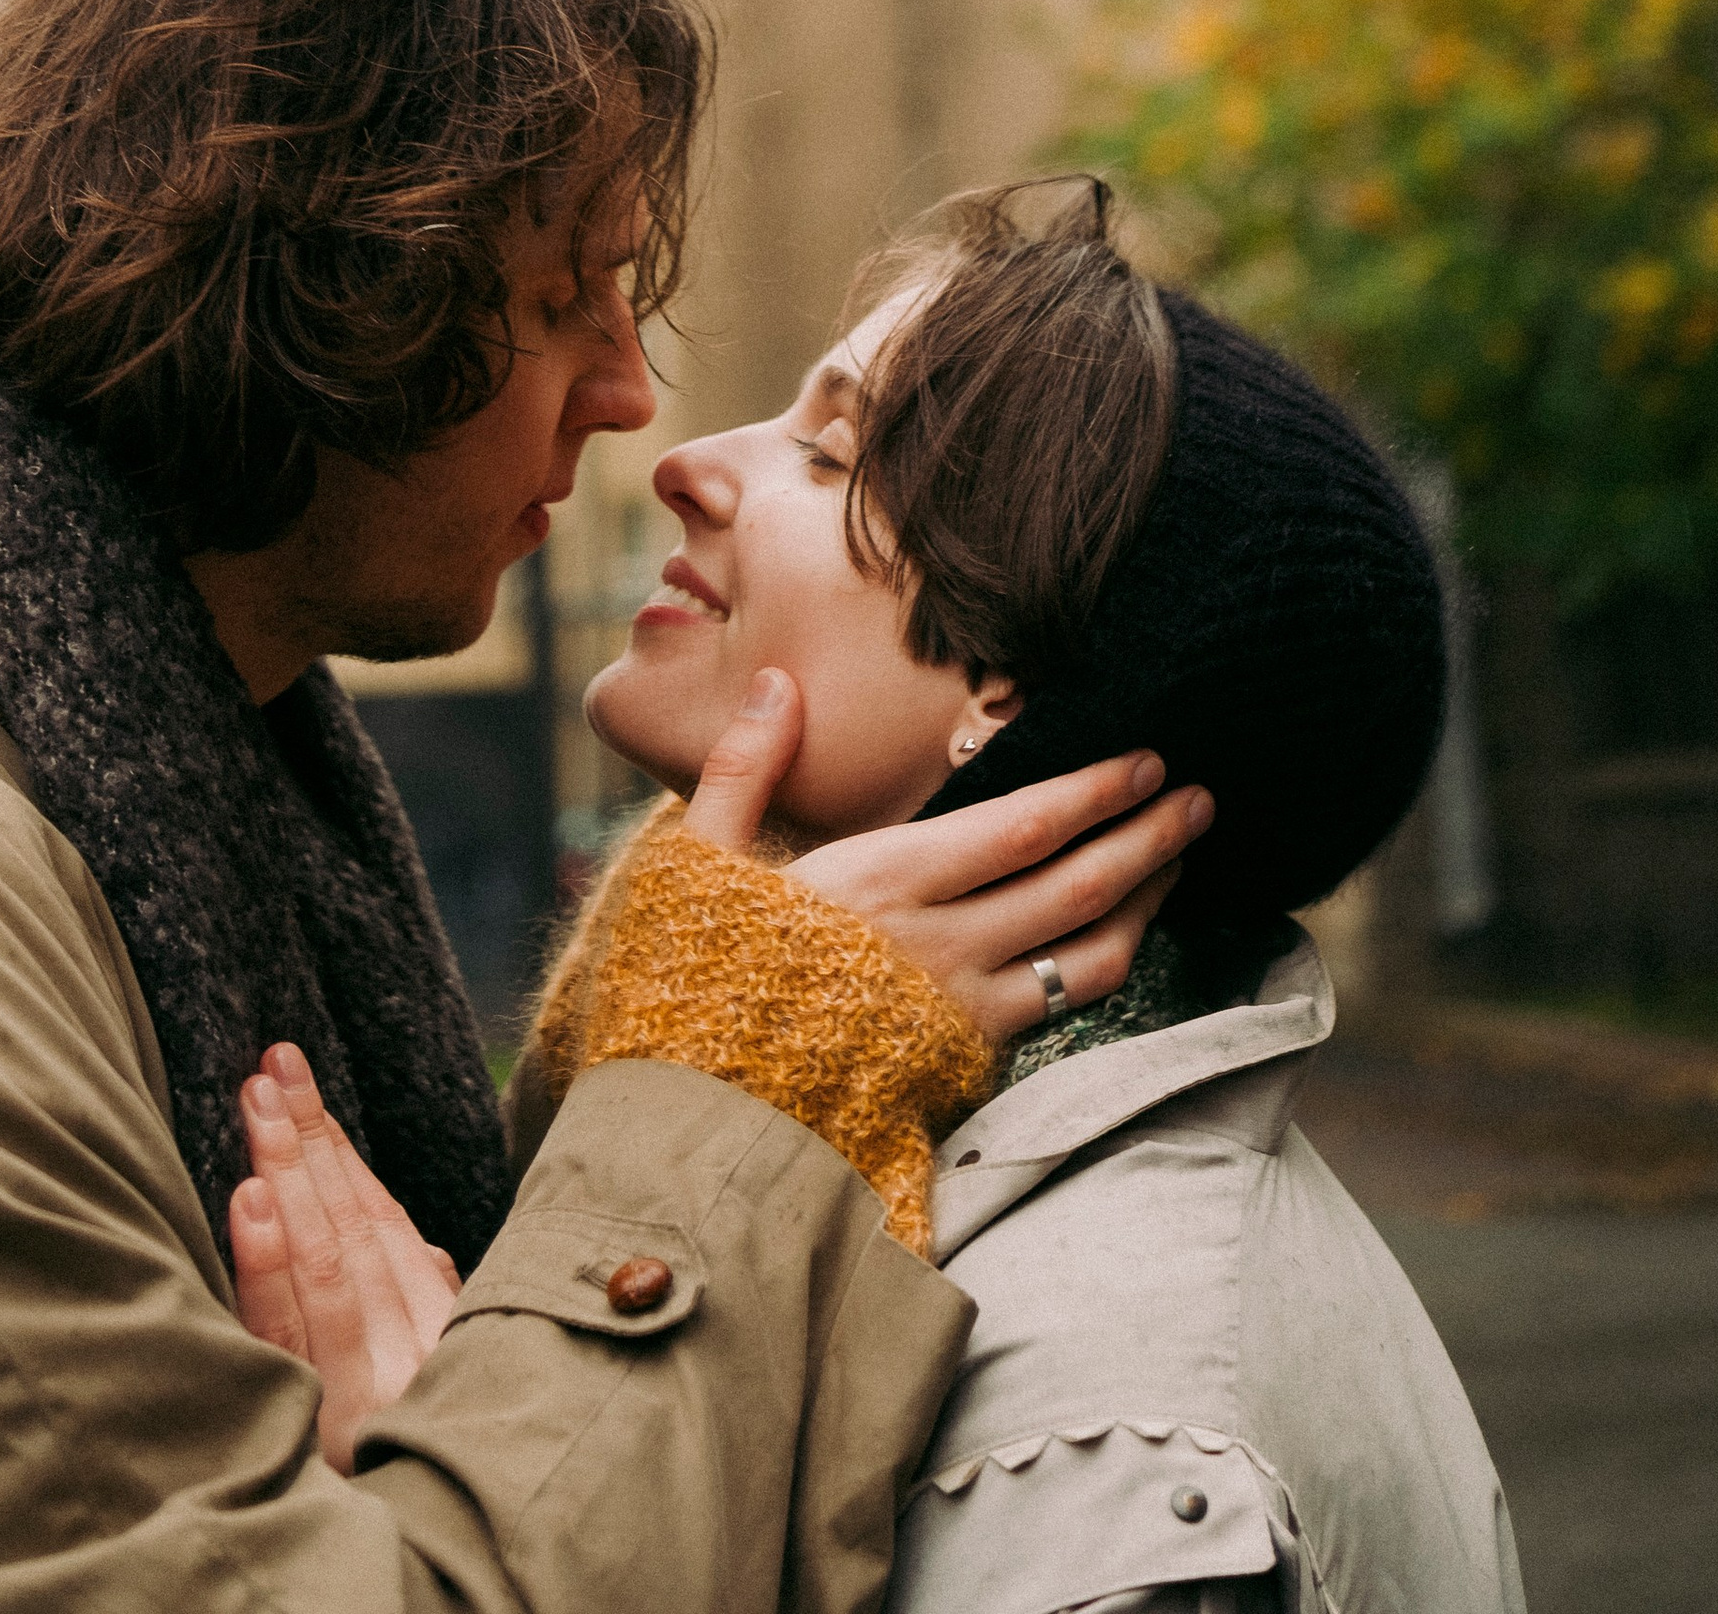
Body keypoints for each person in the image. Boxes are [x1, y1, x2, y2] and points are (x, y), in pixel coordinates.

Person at [0, 0, 1206, 1614]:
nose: (632, 397)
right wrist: (719, 1101)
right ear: (324, 287)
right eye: (568, 294)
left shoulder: (106, 777)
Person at [514, 181, 1527, 1614]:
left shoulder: (1092, 1396)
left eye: (827, 453)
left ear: (1006, 681)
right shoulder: (934, 1196)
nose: (687, 464)